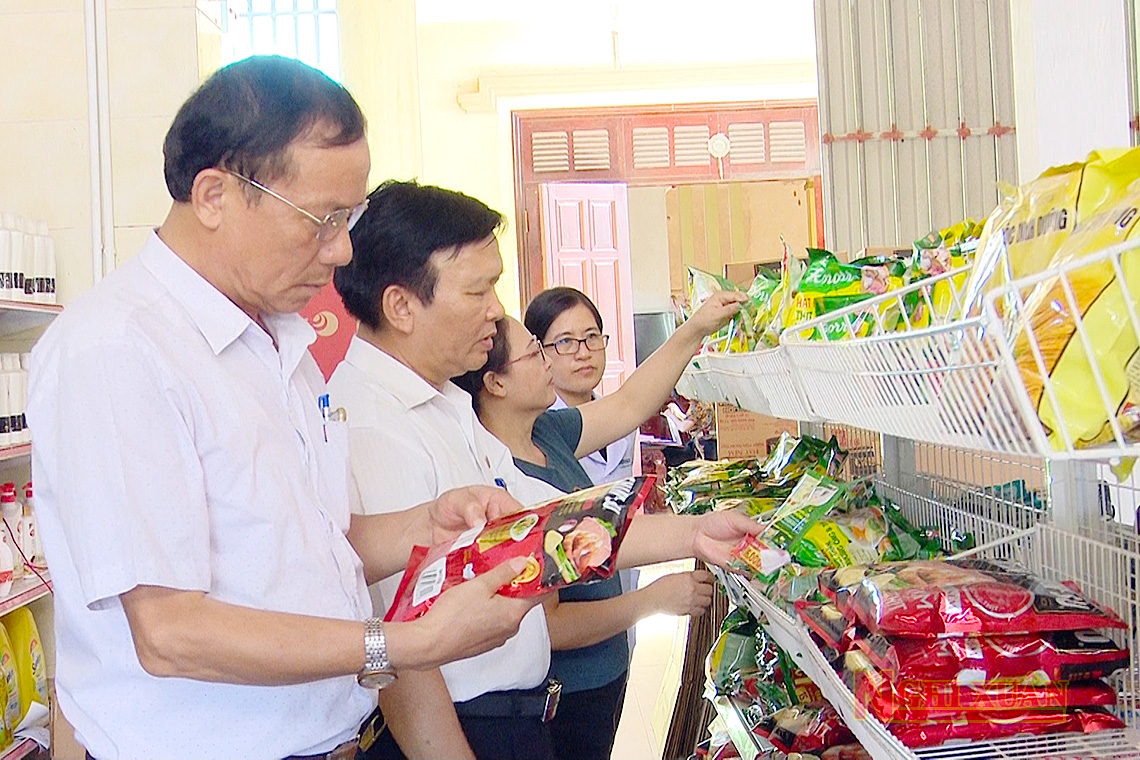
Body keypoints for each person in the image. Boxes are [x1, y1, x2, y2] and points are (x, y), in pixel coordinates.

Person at [25, 57, 541, 760]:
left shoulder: (276, 340)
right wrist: (404, 644)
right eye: (322, 219)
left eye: (350, 217)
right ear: (213, 195)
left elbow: (304, 548)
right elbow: (172, 633)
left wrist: (427, 522)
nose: (344, 249)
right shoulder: (119, 351)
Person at [327, 180, 761, 760]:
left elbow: (546, 527)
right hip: (461, 729)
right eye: (479, 291)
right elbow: (404, 662)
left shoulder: (446, 405)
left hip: (512, 716)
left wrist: (693, 533)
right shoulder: (371, 425)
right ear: (402, 305)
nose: (496, 313)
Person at [453, 293, 739, 760]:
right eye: (536, 352)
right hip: (567, 693)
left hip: (605, 672)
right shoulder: (497, 481)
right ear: (495, 383)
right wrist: (650, 601)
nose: (551, 362)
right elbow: (553, 624)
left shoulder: (548, 432)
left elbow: (629, 404)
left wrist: (694, 330)